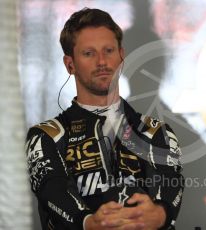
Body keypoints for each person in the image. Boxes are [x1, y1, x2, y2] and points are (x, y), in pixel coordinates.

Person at [25, 8, 184, 230]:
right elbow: (52, 188)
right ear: (69, 64)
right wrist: (90, 223)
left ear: (121, 55)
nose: (102, 61)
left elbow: (170, 182)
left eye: (108, 50)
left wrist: (159, 214)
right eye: (89, 53)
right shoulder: (46, 136)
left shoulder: (155, 131)